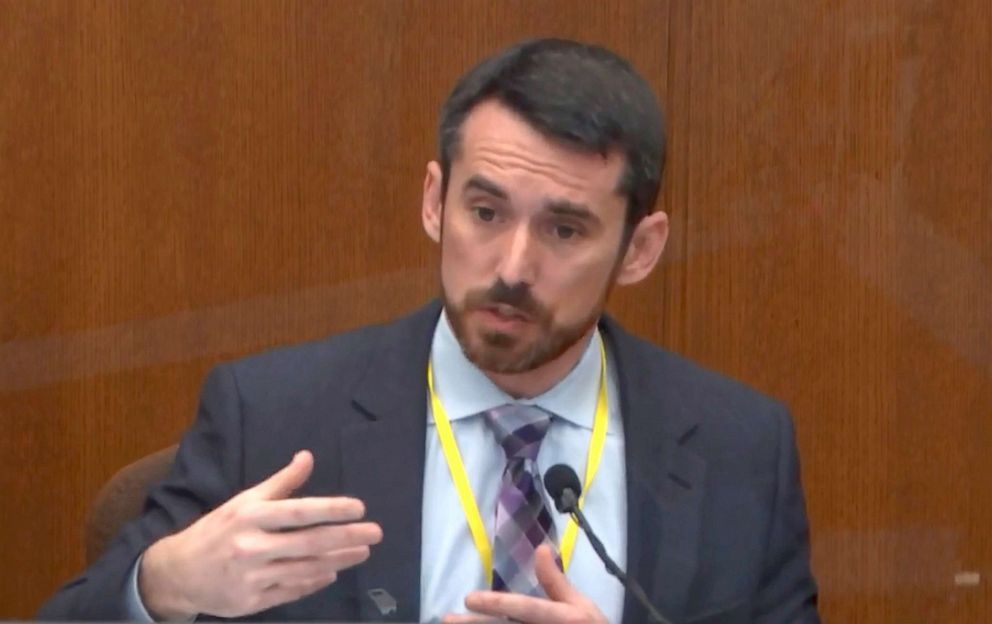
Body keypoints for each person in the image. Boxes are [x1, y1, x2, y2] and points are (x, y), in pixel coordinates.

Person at [39, 38, 820, 623]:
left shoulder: (738, 449)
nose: (512, 265)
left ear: (639, 249)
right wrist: (161, 586)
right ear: (432, 202)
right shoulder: (273, 416)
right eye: (485, 213)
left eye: (564, 230)